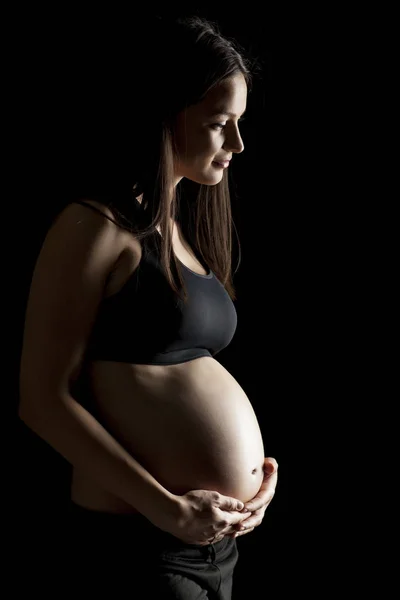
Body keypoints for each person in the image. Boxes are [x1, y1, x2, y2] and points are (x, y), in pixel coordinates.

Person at [18, 14, 278, 599]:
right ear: (166, 114)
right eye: (220, 124)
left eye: (239, 123)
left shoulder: (181, 234)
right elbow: (41, 398)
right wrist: (166, 508)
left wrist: (254, 480)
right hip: (137, 544)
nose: (237, 144)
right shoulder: (93, 227)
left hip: (213, 543)